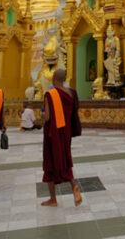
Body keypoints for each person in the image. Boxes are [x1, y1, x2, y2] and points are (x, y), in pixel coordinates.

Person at [40, 68, 82, 207]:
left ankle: (53, 199)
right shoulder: (71, 93)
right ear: (64, 79)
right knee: (65, 158)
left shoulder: (50, 94)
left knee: (50, 163)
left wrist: (39, 118)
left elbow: (47, 117)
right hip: (66, 132)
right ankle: (73, 186)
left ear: (53, 79)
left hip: (53, 133)